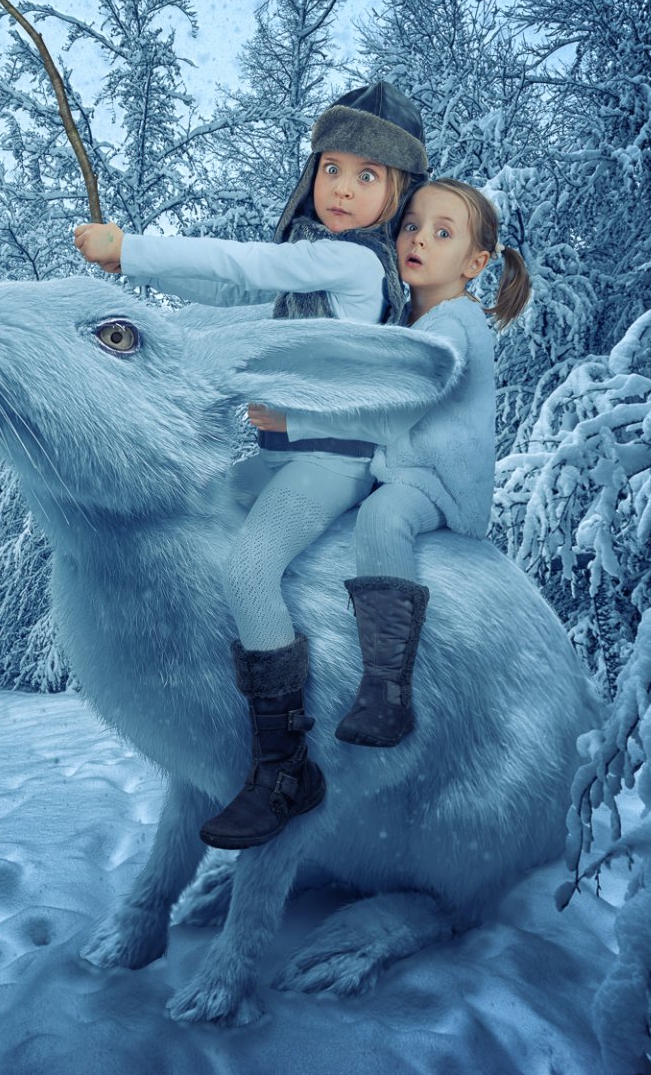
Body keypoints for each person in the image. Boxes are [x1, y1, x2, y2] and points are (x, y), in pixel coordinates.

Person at [72, 81, 428, 849]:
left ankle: (286, 767)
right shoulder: (313, 268)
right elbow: (222, 306)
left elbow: (247, 266)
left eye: (369, 177)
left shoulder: (355, 268)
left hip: (331, 460)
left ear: (397, 194)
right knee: (189, 519)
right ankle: (224, 705)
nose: (343, 189)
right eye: (334, 168)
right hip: (280, 454)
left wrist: (129, 249)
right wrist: (136, 302)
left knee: (247, 568)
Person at [253, 178, 531, 748]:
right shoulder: (417, 320)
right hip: (405, 467)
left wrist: (297, 422)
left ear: (475, 262)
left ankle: (388, 688)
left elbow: (389, 416)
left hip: (435, 481)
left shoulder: (452, 326)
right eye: (412, 226)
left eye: (442, 233)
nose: (419, 239)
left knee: (382, 520)